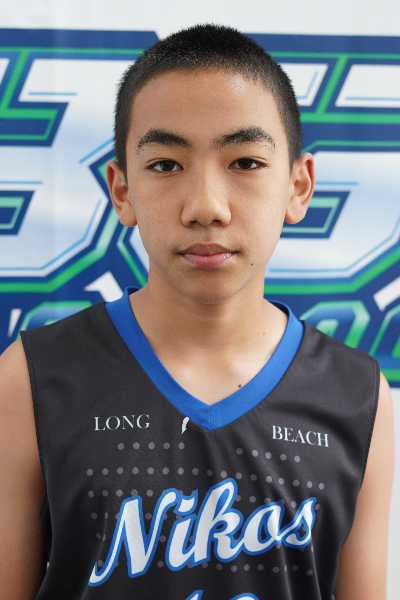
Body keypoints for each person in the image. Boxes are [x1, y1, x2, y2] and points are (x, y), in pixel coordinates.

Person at [0, 24, 394, 600]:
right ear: (122, 190)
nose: (206, 206)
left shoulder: (358, 394)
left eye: (246, 162)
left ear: (299, 186)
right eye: (166, 164)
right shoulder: (30, 379)